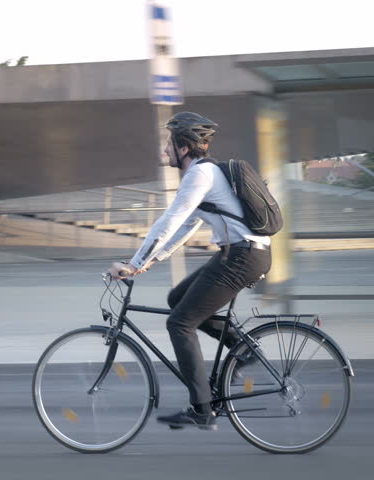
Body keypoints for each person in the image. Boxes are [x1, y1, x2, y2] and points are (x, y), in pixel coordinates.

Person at [106, 112, 272, 430]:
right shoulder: (203, 174)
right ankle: (242, 349)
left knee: (180, 323)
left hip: (242, 256)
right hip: (238, 254)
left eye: (168, 144)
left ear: (183, 147)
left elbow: (170, 220)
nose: (164, 151)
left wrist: (133, 264)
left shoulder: (199, 175)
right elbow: (186, 227)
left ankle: (201, 408)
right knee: (178, 298)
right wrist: (149, 262)